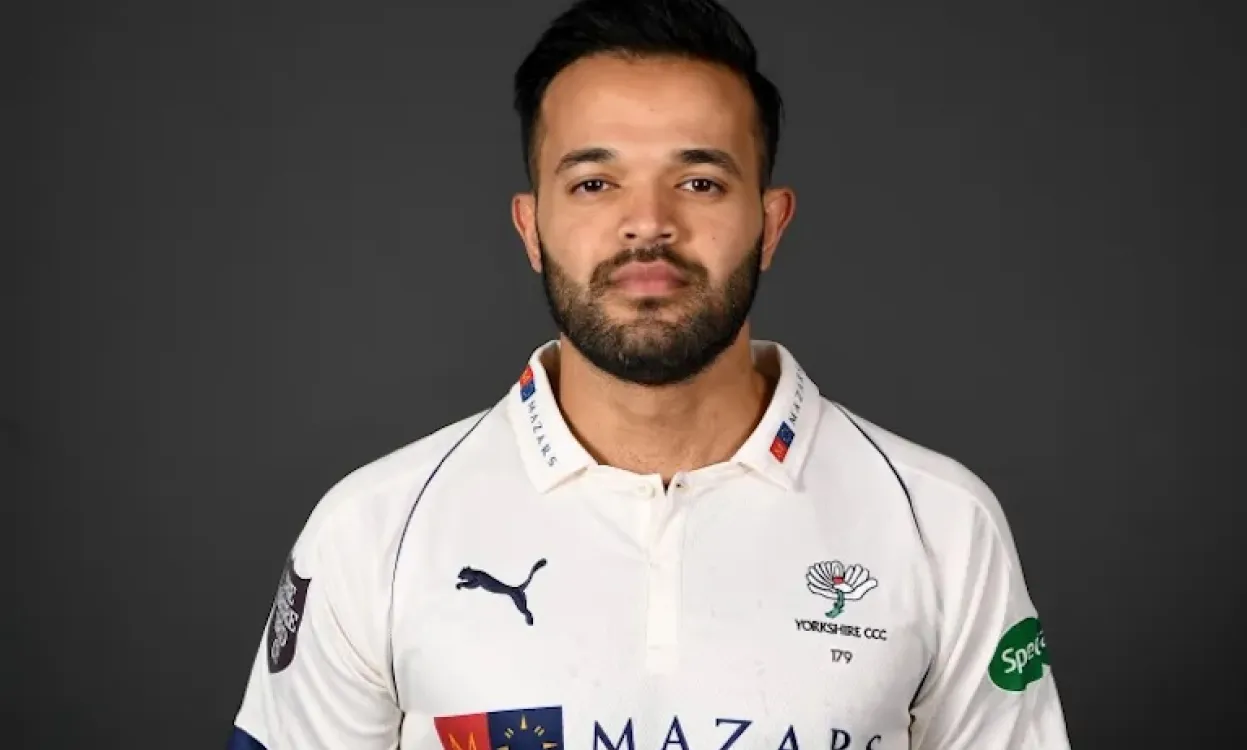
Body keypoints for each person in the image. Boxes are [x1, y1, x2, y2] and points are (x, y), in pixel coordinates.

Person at [226, 0, 1072, 747]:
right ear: (531, 228)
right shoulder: (372, 532)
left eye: (699, 181)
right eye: (594, 182)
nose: (647, 225)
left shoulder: (941, 525)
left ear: (770, 224)